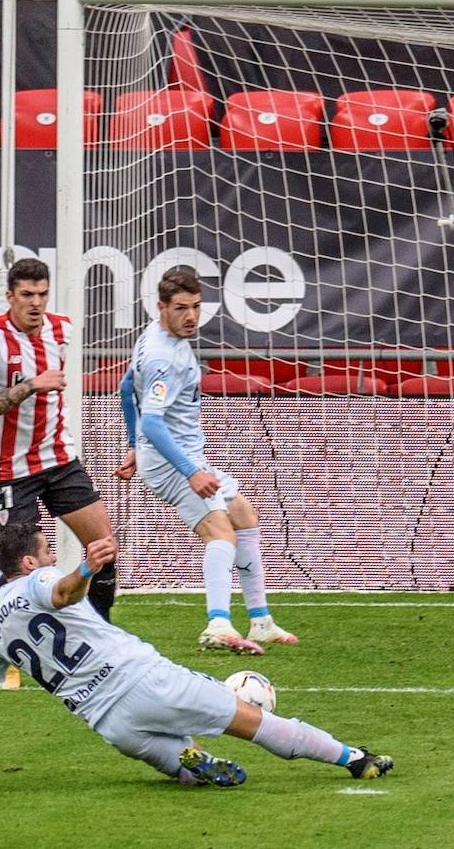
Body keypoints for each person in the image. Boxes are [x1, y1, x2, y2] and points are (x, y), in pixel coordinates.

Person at [0, 523, 393, 788]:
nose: (51, 557)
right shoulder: (40, 582)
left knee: (191, 773)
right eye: (47, 551)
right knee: (259, 723)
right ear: (28, 563)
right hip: (146, 681)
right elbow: (65, 592)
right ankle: (353, 758)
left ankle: (191, 760)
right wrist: (87, 567)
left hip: (110, 724)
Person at [114, 266, 297, 654]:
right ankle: (218, 623)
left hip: (174, 455)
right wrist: (190, 471)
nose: (191, 316)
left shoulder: (154, 338)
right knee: (221, 533)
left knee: (244, 514)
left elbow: (126, 385)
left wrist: (133, 446)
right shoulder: (165, 358)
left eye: (196, 306)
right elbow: (153, 420)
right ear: (161, 307)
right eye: (181, 308)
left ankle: (260, 620)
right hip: (172, 462)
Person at [0, 257, 121, 623]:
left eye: (42, 294)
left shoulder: (62, 331)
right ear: (10, 296)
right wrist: (31, 384)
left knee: (104, 549)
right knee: (22, 568)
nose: (36, 303)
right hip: (10, 470)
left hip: (60, 460)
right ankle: (11, 643)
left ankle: (101, 635)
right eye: (27, 294)